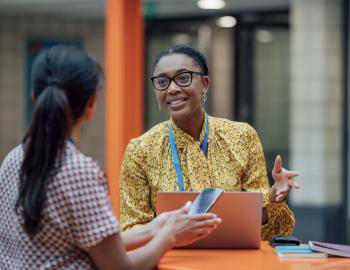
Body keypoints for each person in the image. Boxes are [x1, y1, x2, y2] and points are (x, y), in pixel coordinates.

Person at [0, 46, 222, 270]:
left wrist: (157, 227)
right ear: (92, 102)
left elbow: (90, 243)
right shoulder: (80, 171)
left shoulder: (14, 158)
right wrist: (170, 236)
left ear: (34, 97)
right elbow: (120, 267)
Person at [120, 44, 300, 240]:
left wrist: (275, 194)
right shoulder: (140, 150)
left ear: (204, 84)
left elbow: (258, 222)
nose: (172, 89)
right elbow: (133, 227)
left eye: (183, 78)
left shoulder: (242, 136)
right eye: (162, 81)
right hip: (171, 260)